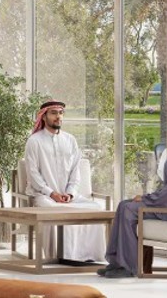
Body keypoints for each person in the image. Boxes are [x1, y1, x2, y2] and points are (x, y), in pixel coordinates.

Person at [101, 102, 167, 279]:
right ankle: (117, 262)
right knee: (123, 205)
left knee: (129, 209)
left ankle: (128, 267)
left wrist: (148, 199)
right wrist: (149, 198)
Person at [22, 99, 107, 266]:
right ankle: (63, 256)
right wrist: (51, 193)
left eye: (60, 113)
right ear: (44, 116)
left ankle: (90, 256)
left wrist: (70, 193)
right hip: (43, 196)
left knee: (95, 208)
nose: (58, 117)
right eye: (53, 113)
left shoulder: (70, 140)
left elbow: (76, 172)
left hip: (68, 195)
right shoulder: (34, 141)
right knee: (55, 209)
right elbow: (32, 174)